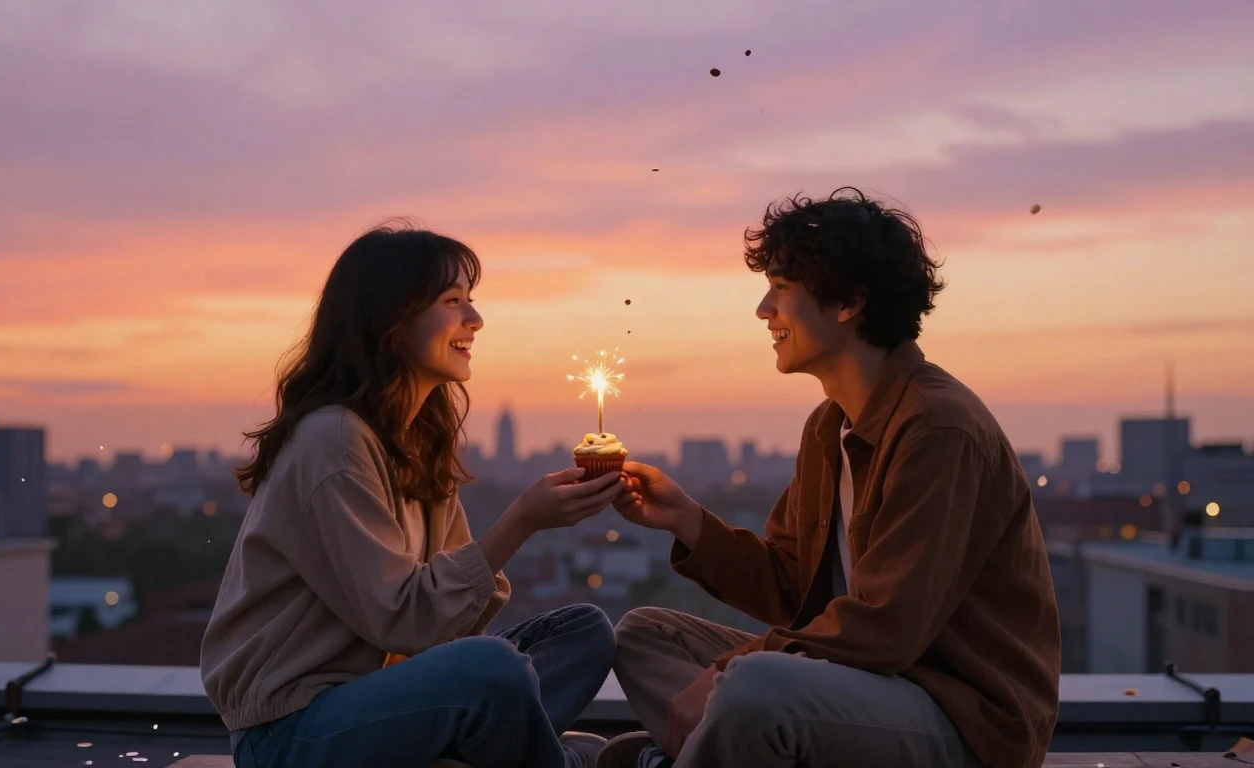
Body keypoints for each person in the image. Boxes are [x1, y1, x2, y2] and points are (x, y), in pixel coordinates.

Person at [599, 188, 1061, 768]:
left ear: (847, 303)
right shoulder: (829, 428)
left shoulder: (938, 430)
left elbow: (887, 628)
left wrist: (724, 672)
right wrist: (689, 522)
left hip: (961, 718)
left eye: (782, 290)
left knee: (751, 689)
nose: (764, 310)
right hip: (865, 686)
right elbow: (793, 591)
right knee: (644, 635)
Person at [200, 223, 625, 768]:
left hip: (382, 699)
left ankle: (499, 750)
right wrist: (521, 521)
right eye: (453, 301)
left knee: (584, 631)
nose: (476, 320)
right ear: (392, 321)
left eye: (471, 301)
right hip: (291, 734)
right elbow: (401, 620)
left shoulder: (416, 438)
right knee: (493, 671)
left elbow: (445, 627)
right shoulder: (333, 440)